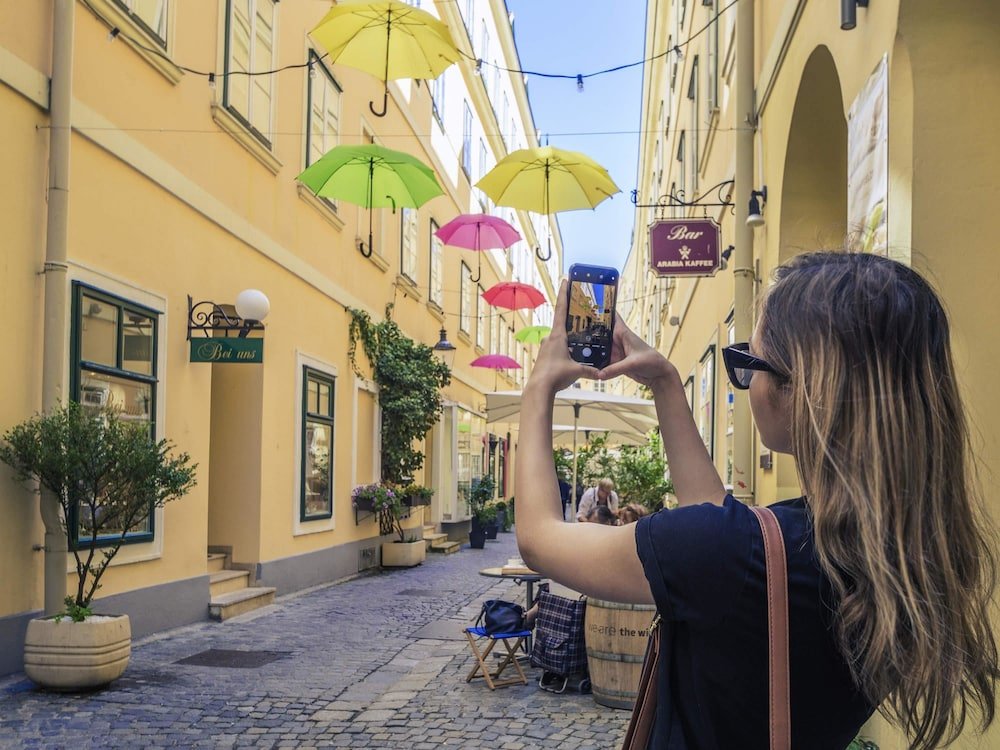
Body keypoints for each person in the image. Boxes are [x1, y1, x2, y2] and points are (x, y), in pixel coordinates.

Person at [515, 252, 998, 749]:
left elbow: (538, 538)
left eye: (749, 362)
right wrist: (664, 382)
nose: (747, 383)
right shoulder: (893, 549)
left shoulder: (736, 553)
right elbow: (729, 541)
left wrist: (539, 386)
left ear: (802, 388)